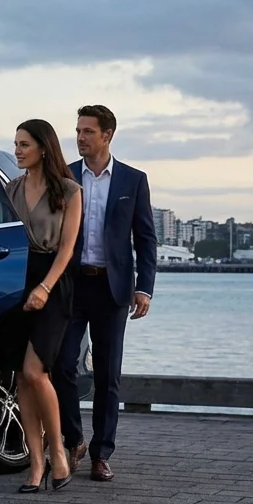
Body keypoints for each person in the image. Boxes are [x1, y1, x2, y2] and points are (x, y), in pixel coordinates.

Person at [53, 104, 157, 482]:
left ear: (107, 135)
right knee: (62, 364)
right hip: (72, 285)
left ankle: (101, 453)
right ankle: (74, 439)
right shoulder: (64, 176)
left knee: (108, 375)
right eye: (78, 131)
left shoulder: (133, 180)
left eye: (87, 132)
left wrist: (144, 288)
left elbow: (146, 239)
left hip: (114, 290)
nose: (80, 138)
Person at [1, 119, 82, 493]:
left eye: (24, 144)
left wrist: (45, 288)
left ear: (43, 148)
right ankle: (36, 465)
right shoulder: (10, 189)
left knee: (36, 372)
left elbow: (67, 250)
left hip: (53, 281)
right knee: (20, 375)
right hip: (15, 280)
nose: (17, 150)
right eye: (15, 144)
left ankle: (59, 452)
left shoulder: (68, 190)